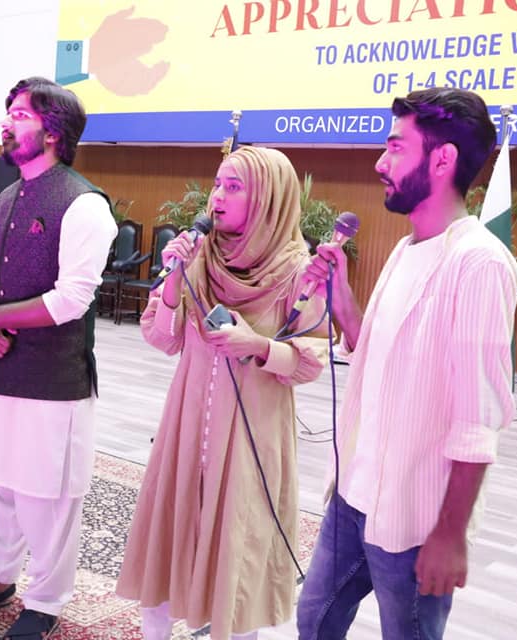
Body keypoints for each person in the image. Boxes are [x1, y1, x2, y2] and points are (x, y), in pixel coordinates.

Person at [296, 88, 517, 639]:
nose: (381, 162)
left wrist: (450, 534)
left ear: (442, 159)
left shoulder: (479, 263)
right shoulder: (405, 248)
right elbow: (376, 357)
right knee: (315, 619)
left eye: (396, 147)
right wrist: (342, 302)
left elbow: (477, 420)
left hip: (416, 517)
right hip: (353, 494)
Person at [115, 146, 329, 639]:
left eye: (234, 187)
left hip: (253, 439)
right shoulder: (198, 256)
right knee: (167, 543)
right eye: (217, 184)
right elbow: (162, 337)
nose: (217, 197)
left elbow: (312, 361)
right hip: (186, 429)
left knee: (239, 554)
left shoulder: (299, 272)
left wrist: (258, 346)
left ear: (269, 199)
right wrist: (175, 276)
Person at [0, 77, 116, 639]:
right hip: (0, 371)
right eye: (8, 112)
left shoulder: (85, 204)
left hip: (53, 378)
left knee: (48, 496)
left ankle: (45, 601)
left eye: (19, 114)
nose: (6, 122)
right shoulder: (6, 198)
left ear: (54, 131)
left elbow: (71, 299)